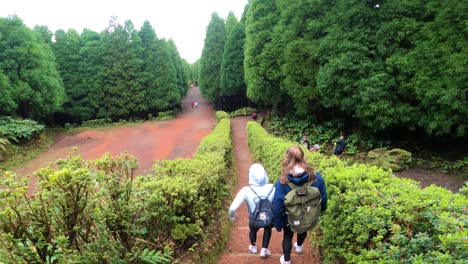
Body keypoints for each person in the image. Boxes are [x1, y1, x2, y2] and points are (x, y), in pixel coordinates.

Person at [273, 146, 328, 264]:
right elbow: (323, 198)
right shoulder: (316, 178)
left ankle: (286, 260)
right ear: (303, 157)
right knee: (303, 229)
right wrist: (321, 210)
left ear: (286, 159)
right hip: (308, 214)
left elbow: (277, 206)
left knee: (287, 236)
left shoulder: (282, 182)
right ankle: (299, 246)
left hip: (289, 218)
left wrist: (277, 224)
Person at [228, 163, 275, 258]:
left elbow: (232, 208)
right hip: (269, 217)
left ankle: (253, 247)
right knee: (268, 229)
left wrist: (232, 217)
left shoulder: (246, 190)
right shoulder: (273, 187)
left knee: (252, 231)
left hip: (254, 219)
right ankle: (264, 250)